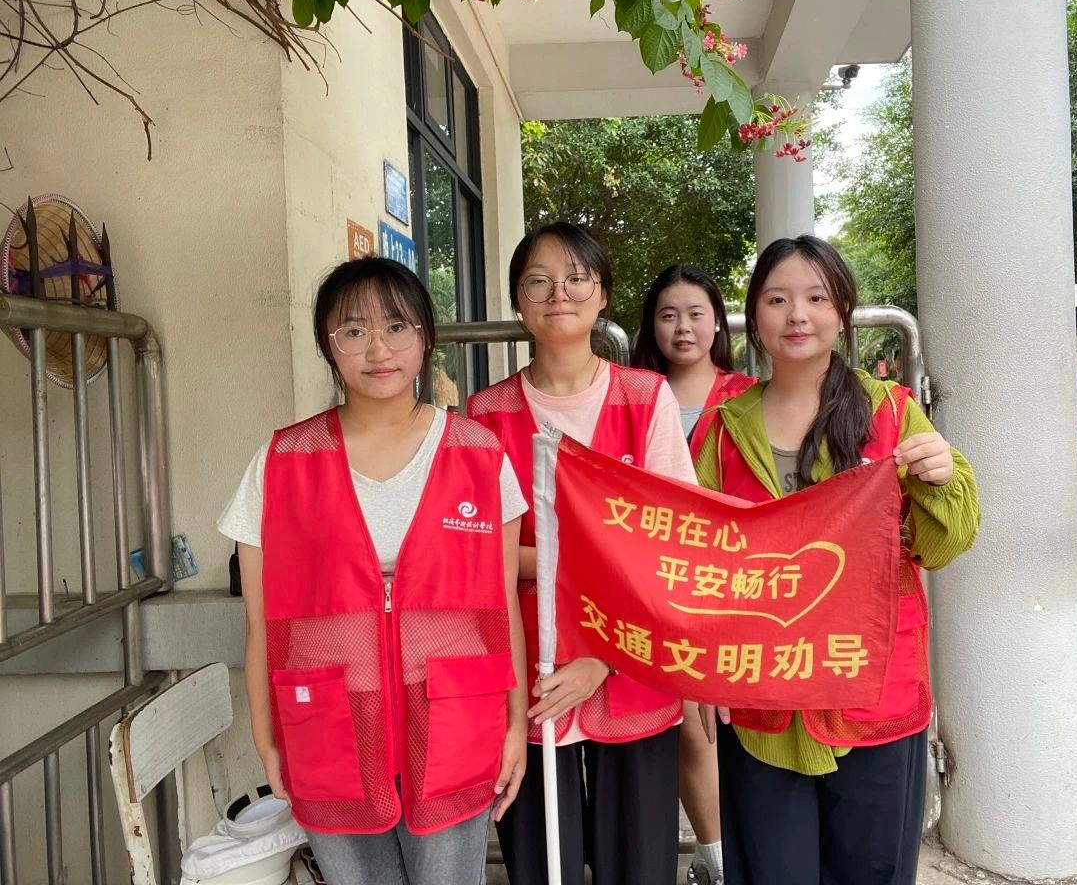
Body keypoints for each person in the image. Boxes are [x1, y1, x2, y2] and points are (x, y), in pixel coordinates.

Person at [219, 256, 527, 885]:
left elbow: (501, 607)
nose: (378, 349)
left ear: (426, 338)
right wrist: (266, 737)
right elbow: (262, 623)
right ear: (328, 346)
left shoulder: (479, 454)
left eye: (397, 326)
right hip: (328, 723)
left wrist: (516, 723)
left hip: (454, 718)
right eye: (354, 330)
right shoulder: (282, 462)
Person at [694, 235, 980, 885]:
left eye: (816, 298)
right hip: (764, 701)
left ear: (843, 310)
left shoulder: (893, 413)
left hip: (872, 695)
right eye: (777, 299)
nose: (797, 314)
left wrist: (941, 479)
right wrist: (702, 675)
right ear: (754, 315)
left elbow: (943, 545)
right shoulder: (721, 429)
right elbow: (696, 563)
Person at [467, 222, 696, 885]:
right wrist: (581, 561)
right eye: (538, 281)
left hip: (632, 667)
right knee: (544, 867)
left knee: (640, 864)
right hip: (528, 682)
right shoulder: (486, 416)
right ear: (517, 300)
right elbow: (479, 555)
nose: (558, 294)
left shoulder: (644, 398)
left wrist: (605, 656)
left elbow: (672, 541)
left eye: (576, 279)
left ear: (603, 295)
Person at [631, 264, 758, 885]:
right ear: (650, 326)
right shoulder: (632, 396)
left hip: (740, 587)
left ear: (717, 322)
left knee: (742, 726)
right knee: (691, 723)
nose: (683, 327)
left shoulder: (749, 396)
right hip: (660, 586)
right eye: (668, 315)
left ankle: (752, 852)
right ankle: (718, 862)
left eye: (696, 313)